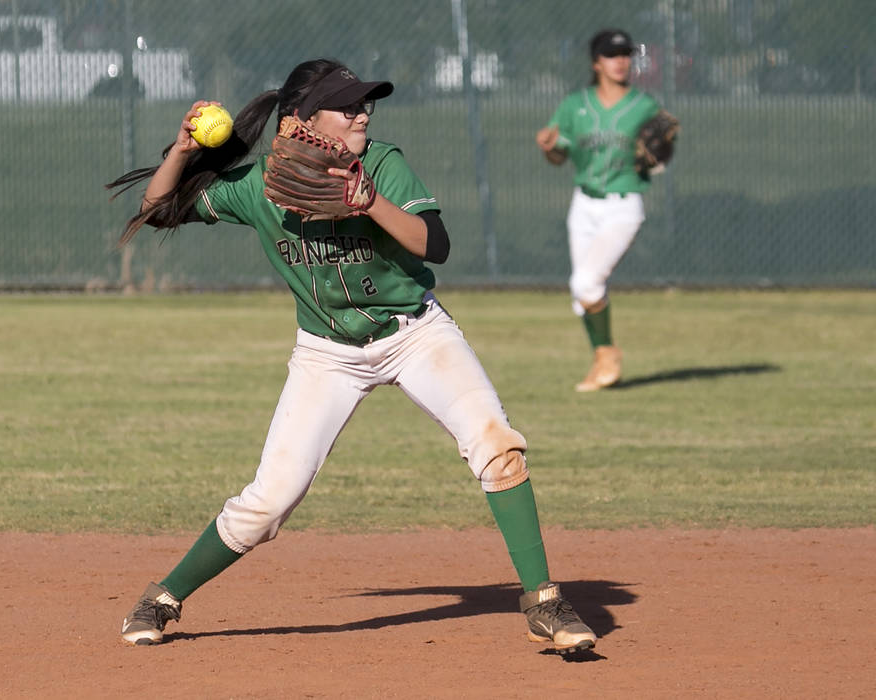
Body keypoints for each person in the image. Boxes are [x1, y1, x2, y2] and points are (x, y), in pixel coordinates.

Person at [107, 59, 596, 656]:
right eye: (347, 105)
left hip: (414, 333)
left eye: (366, 103)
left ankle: (544, 601)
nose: (363, 112)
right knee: (267, 502)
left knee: (497, 445)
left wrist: (369, 203)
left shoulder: (383, 163)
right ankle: (164, 596)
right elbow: (158, 207)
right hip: (328, 354)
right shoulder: (260, 185)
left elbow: (433, 245)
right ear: (301, 122)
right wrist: (181, 151)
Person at [536, 29, 665, 392]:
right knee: (582, 296)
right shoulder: (575, 105)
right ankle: (601, 362)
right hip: (584, 204)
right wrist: (549, 148)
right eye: (612, 54)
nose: (621, 61)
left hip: (623, 206)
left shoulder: (644, 107)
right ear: (596, 62)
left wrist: (659, 153)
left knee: (586, 283)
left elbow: (658, 157)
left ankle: (607, 355)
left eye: (625, 54)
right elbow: (558, 157)